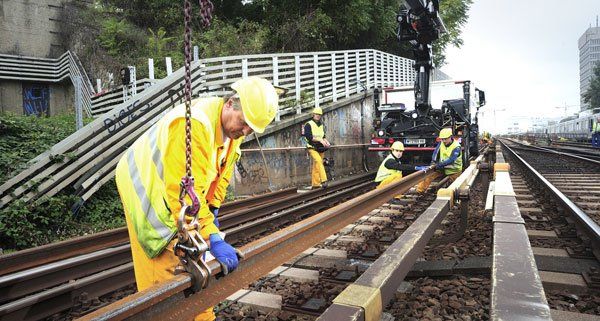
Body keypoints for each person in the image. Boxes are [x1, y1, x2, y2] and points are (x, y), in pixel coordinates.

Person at [115, 77, 279, 321]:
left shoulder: (231, 130)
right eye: (244, 124)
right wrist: (210, 236)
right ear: (230, 104)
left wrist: (211, 211)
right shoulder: (193, 126)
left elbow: (219, 176)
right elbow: (184, 197)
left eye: (251, 129)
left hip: (175, 194)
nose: (245, 132)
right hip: (147, 191)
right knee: (165, 278)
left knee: (194, 261)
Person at [416, 127, 463, 194]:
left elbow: (451, 160)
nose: (443, 141)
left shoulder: (456, 146)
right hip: (442, 167)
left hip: (454, 170)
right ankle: (420, 191)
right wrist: (433, 162)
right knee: (428, 175)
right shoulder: (441, 143)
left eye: (445, 139)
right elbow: (435, 153)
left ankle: (442, 191)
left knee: (453, 187)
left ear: (450, 137)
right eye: (442, 139)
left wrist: (439, 164)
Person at [303, 107, 330, 189]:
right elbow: (309, 137)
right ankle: (324, 180)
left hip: (320, 148)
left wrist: (326, 141)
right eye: (317, 114)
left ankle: (315, 184)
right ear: (313, 114)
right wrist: (320, 140)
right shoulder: (308, 124)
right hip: (312, 147)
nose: (318, 116)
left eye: (319, 114)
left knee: (316, 165)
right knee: (319, 161)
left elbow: (323, 136)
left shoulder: (321, 125)